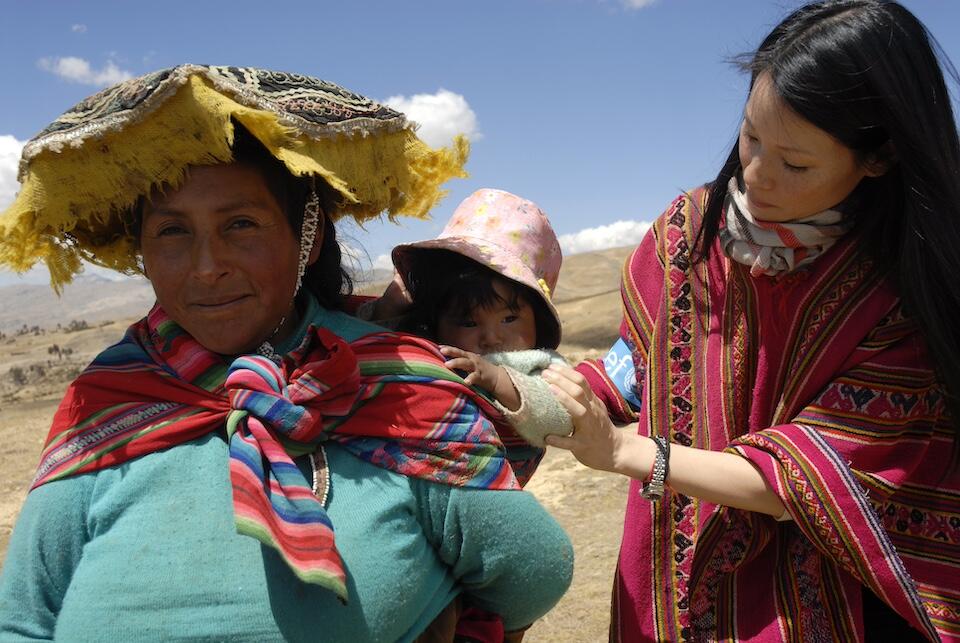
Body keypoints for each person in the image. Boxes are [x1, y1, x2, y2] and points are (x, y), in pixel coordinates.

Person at [0, 65, 573, 642]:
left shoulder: (400, 384)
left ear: (308, 236)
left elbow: (533, 571)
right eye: (172, 231)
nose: (206, 266)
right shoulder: (107, 398)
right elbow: (23, 619)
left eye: (241, 224)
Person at [541, 2, 960, 641]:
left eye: (795, 164)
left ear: (878, 158)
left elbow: (808, 479)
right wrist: (551, 393)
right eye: (750, 136)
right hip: (667, 579)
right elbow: (635, 369)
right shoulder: (685, 234)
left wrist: (629, 452)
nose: (756, 176)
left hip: (829, 597)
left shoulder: (905, 290)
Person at [363, 189, 574, 483]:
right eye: (468, 322)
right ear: (436, 322)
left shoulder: (541, 364)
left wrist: (496, 378)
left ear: (538, 317)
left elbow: (559, 416)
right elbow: (365, 347)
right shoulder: (433, 350)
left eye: (509, 318)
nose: (491, 337)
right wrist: (387, 309)